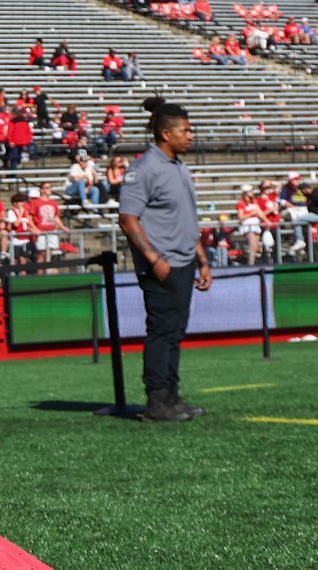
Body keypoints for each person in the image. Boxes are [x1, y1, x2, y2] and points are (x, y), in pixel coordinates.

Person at [117, 97, 212, 423]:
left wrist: (202, 259)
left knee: (174, 332)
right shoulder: (144, 168)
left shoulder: (178, 166)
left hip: (183, 261)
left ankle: (172, 397)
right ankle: (157, 402)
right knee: (161, 332)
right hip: (162, 266)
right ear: (165, 134)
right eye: (185, 131)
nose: (190, 136)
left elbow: (186, 217)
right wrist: (154, 258)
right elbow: (128, 219)